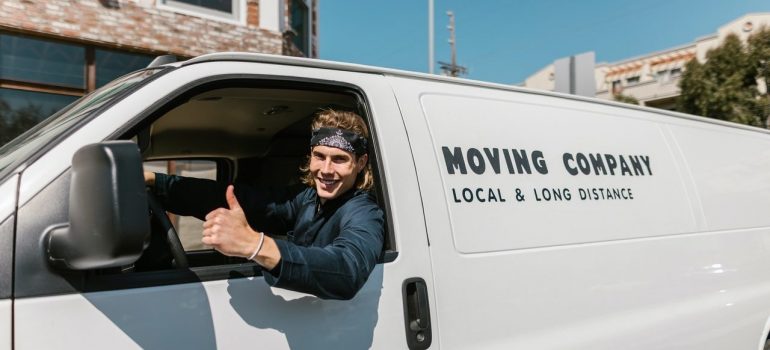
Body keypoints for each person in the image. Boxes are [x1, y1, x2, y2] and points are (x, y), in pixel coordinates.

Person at [145, 109, 384, 300]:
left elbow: (347, 270)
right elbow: (248, 201)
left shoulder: (364, 211)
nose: (326, 170)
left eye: (339, 159)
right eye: (319, 156)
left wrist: (255, 244)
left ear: (361, 163)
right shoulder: (307, 198)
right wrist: (159, 183)